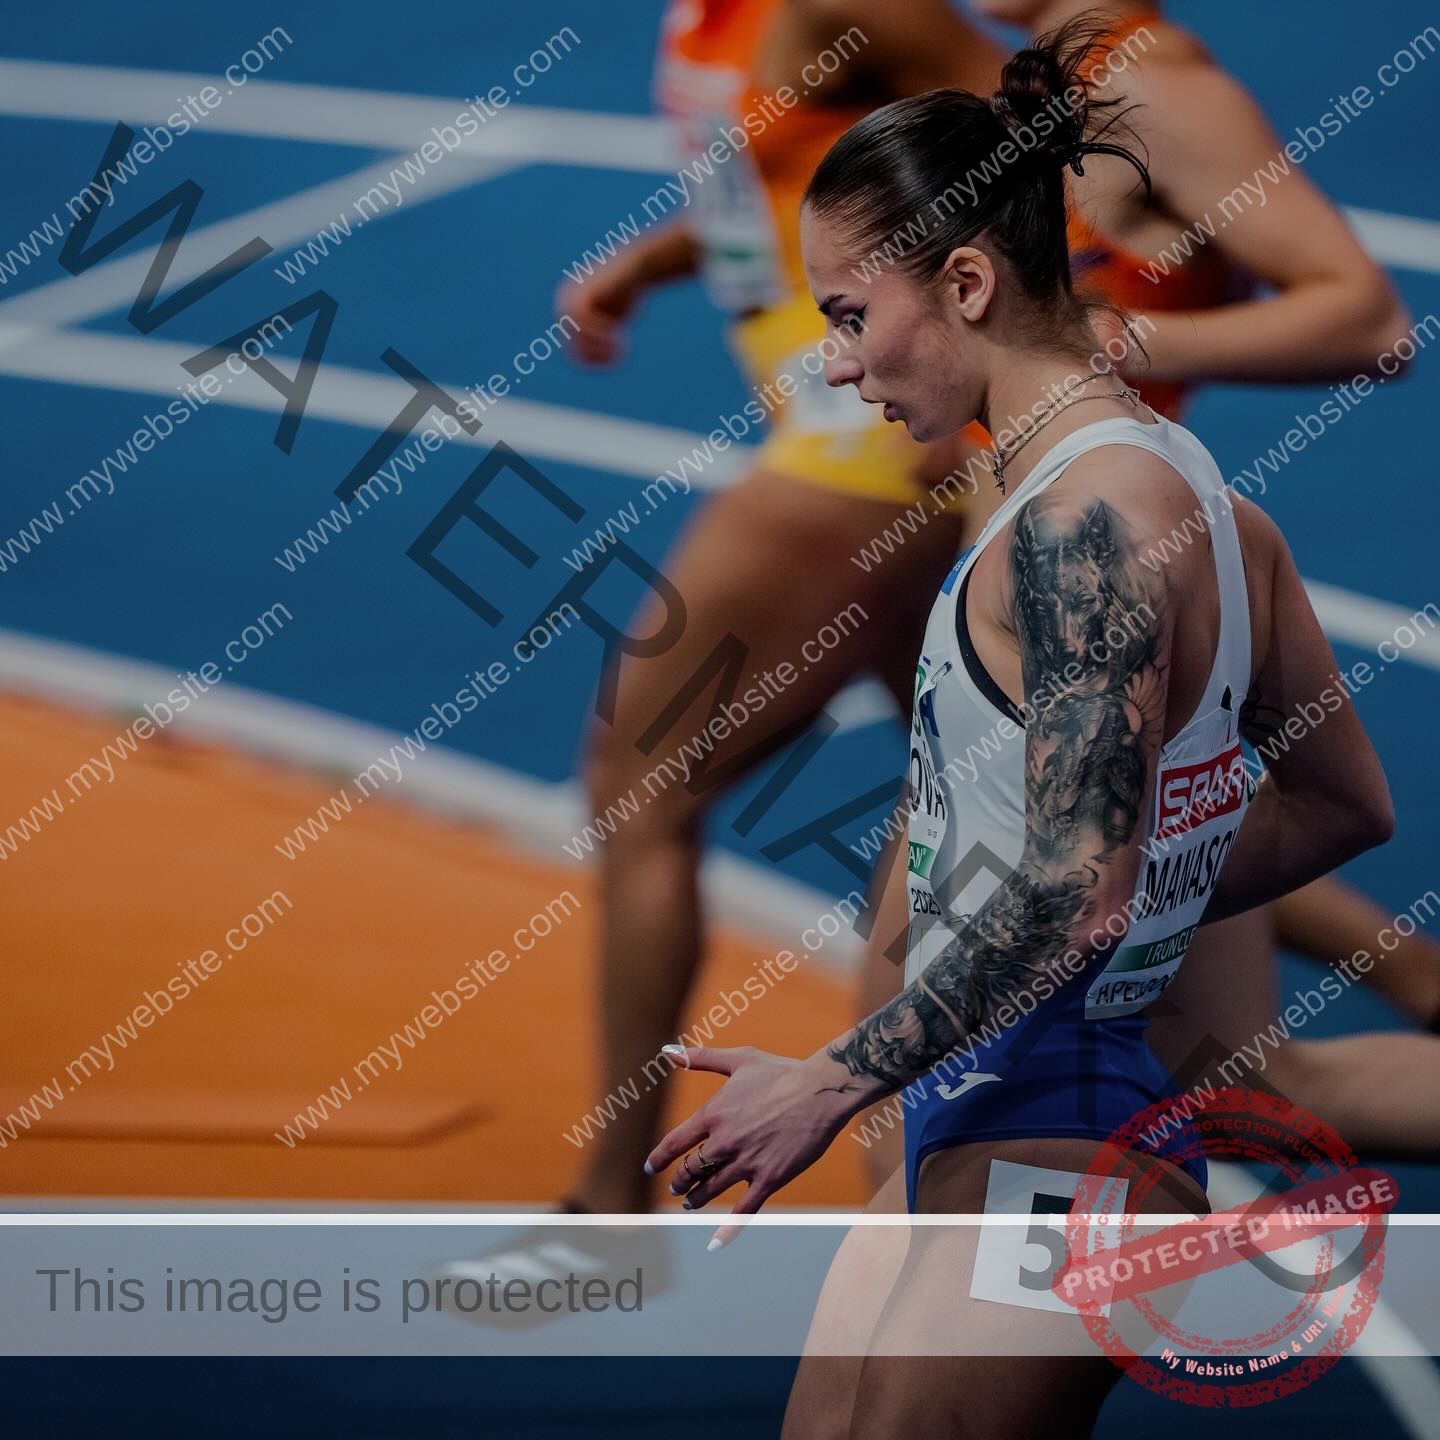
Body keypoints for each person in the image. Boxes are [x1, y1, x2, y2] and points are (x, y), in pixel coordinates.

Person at [647, 24, 1395, 1437]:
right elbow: (1345, 806)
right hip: (996, 1098)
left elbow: (1076, 895)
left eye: (853, 317)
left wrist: (831, 1079)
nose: (842, 369)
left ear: (970, 283)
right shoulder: (1211, 503)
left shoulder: (1077, 532)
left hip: (1061, 1125)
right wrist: (1150, 902)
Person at [851, 0, 1427, 1183]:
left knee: (889, 1087)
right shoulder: (1051, 81)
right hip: (1055, 604)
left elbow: (1368, 317)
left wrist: (1104, 348)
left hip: (1104, 604)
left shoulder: (1153, 82)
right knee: (1247, 1084)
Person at [555, 0, 1005, 1221]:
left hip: (866, 448)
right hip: (857, 431)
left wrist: (973, 386)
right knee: (1041, 782)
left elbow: (1026, 141)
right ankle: (1404, 988)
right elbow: (794, 180)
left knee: (641, 781)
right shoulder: (705, 14)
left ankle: (609, 1205)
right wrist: (649, 266)